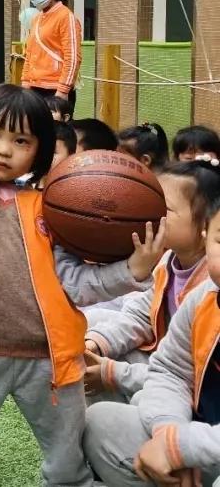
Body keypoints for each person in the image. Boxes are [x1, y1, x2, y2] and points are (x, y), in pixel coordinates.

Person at [0, 84, 167, 487]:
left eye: (20, 140)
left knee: (67, 463)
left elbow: (78, 285)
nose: (4, 149)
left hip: (49, 362)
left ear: (39, 149)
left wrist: (131, 271)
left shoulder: (52, 208)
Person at [83, 160, 220, 486]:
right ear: (208, 233)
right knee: (99, 424)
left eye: (164, 208)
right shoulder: (196, 288)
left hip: (205, 439)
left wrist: (179, 447)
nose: (150, 214)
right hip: (198, 426)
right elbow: (170, 370)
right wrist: (170, 437)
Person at [21, 0, 83, 116]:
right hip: (34, 88)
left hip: (56, 90)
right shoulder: (36, 19)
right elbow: (29, 55)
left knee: (57, 136)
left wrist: (62, 90)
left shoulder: (66, 17)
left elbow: (73, 57)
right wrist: (25, 84)